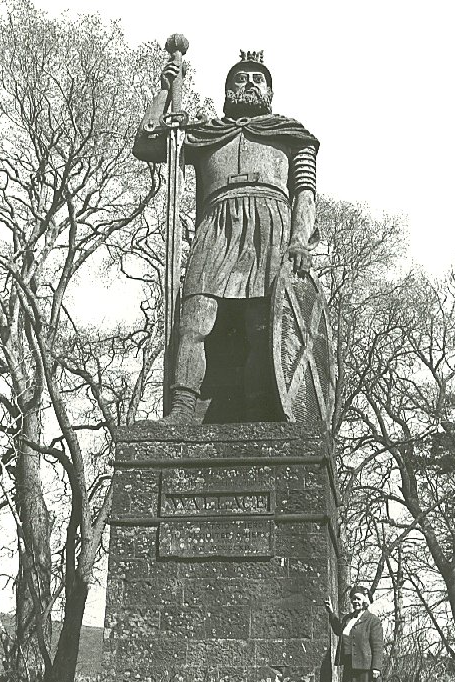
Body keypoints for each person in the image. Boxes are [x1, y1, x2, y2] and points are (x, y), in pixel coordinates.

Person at [132, 50, 319, 422]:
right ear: (226, 89)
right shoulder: (204, 134)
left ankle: (259, 409)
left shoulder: (291, 135)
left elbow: (305, 192)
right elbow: (148, 143)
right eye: (240, 78)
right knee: (195, 318)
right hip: (216, 227)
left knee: (263, 325)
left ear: (268, 91)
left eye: (257, 78)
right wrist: (166, 91)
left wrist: (299, 240)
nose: (249, 83)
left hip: (271, 226)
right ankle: (183, 406)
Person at [324, 585, 383, 682]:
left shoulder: (373, 620)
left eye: (358, 598)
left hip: (367, 667)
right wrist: (331, 612)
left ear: (365, 600)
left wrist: (376, 667)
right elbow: (338, 630)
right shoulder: (348, 619)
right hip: (350, 666)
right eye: (353, 599)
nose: (355, 601)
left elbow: (378, 646)